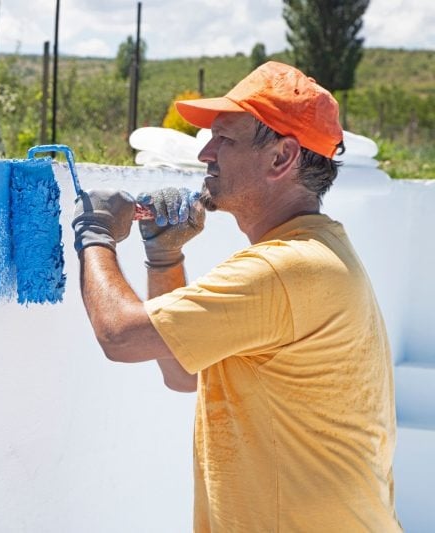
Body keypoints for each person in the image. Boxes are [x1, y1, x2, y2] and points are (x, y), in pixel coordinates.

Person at [72, 61, 401, 532]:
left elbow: (120, 336)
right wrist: (164, 259)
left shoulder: (285, 269)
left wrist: (95, 232)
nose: (206, 152)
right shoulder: (315, 252)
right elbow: (183, 374)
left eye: (224, 139)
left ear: (281, 157)